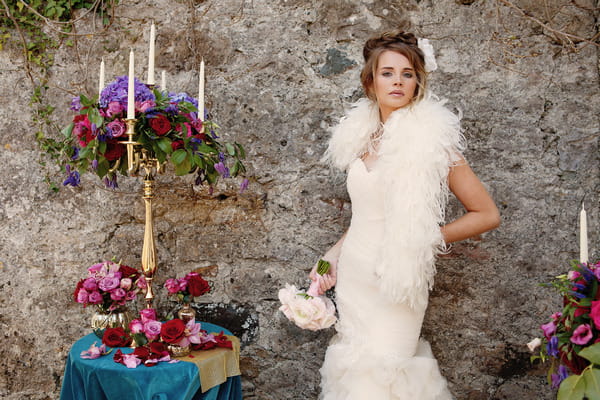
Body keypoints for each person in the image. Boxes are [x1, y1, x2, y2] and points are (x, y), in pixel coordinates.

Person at [309, 30, 501, 400]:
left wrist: (420, 241)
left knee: (387, 376)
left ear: (417, 83)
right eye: (387, 73)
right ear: (370, 81)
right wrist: (331, 256)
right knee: (354, 375)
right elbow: (366, 216)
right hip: (355, 279)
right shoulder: (362, 137)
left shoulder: (431, 141)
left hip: (396, 279)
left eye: (407, 73)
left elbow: (487, 214)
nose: (397, 80)